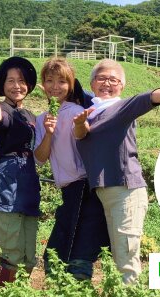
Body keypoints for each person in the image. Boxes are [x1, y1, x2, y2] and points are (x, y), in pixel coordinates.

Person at [73, 59, 160, 284]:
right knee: (117, 254)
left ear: (122, 86)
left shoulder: (121, 107)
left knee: (126, 257)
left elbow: (146, 99)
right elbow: (80, 131)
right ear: (92, 83)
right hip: (104, 192)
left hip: (125, 190)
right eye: (101, 78)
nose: (107, 83)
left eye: (113, 80)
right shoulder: (91, 112)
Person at [34, 57, 109, 280]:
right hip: (68, 191)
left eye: (62, 81)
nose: (55, 86)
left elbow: (83, 134)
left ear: (71, 84)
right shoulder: (41, 119)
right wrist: (48, 132)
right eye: (50, 81)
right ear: (43, 84)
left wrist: (79, 125)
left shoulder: (78, 111)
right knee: (70, 249)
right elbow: (40, 158)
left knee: (67, 252)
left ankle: (75, 289)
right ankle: (70, 289)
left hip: (84, 187)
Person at [0, 56, 41, 286]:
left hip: (28, 178)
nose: (17, 86)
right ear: (2, 84)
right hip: (8, 177)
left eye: (22, 81)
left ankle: (21, 291)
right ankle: (4, 292)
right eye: (11, 81)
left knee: (29, 251)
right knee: (11, 245)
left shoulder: (31, 115)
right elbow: (2, 121)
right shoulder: (4, 108)